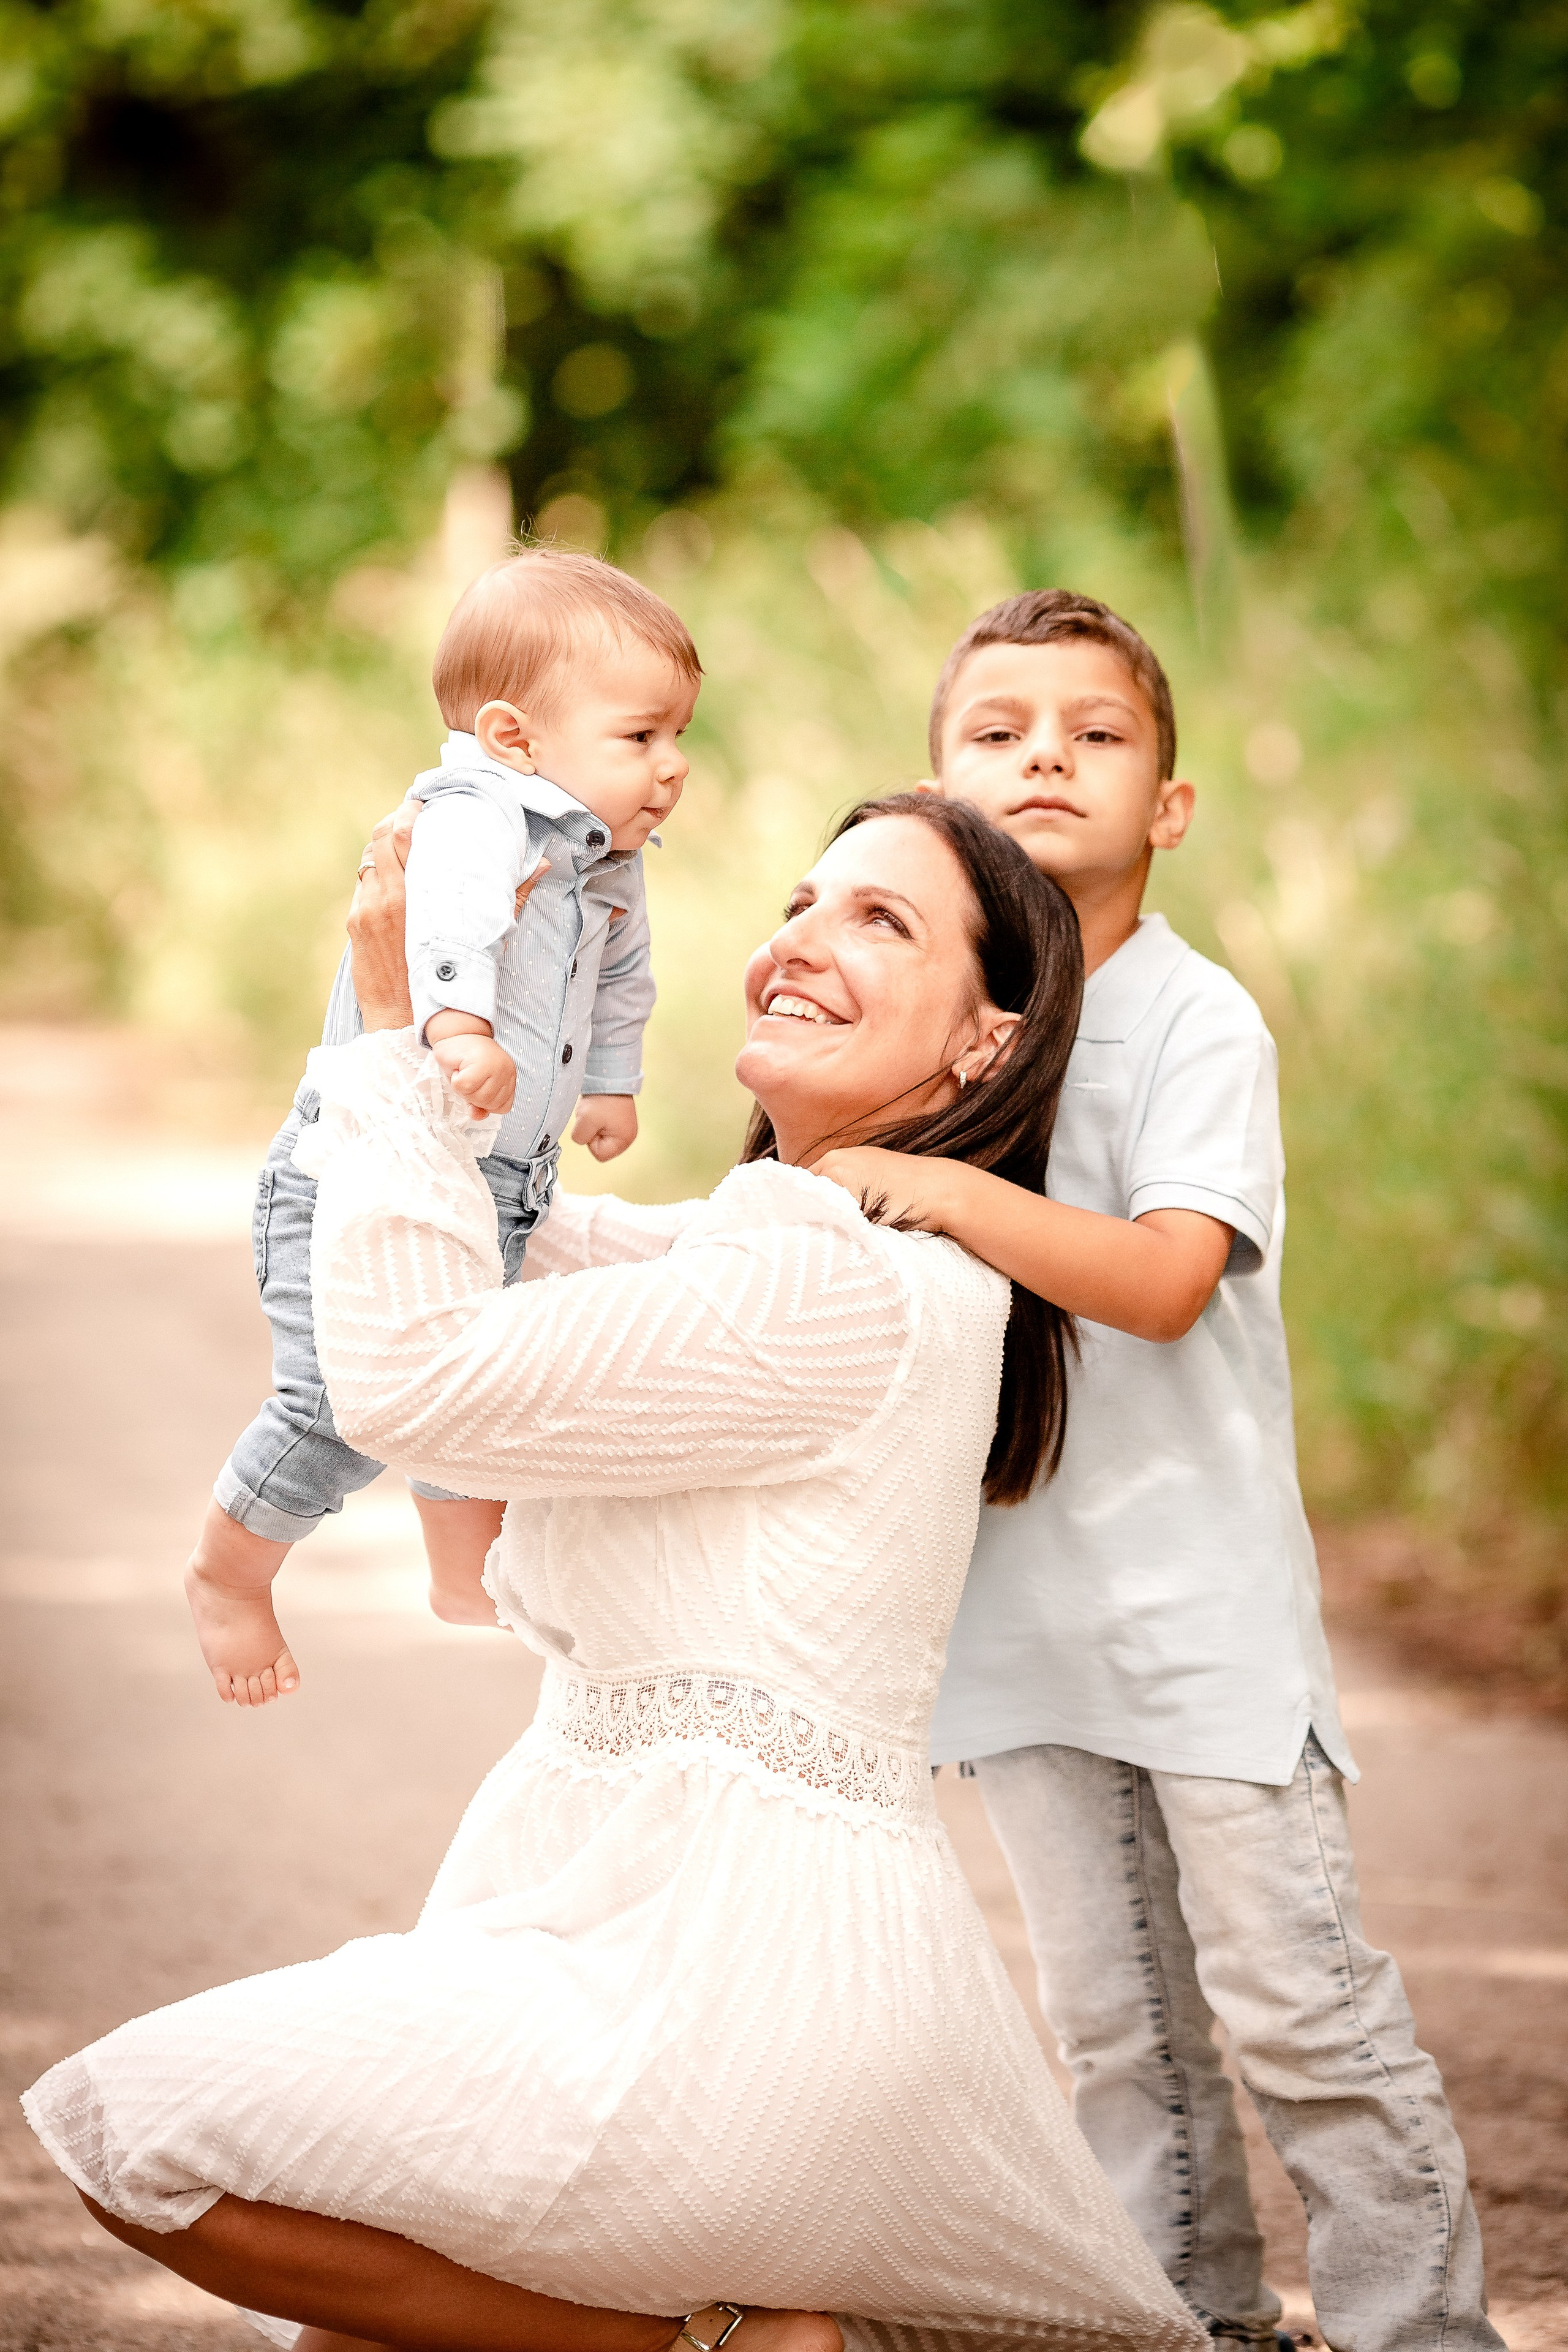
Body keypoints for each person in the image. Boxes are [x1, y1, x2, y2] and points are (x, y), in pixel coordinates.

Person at [23, 791, 1207, 2352]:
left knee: (137, 2133)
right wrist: (454, 1000)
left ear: (986, 1043)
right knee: (360, 2329)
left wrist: (391, 1033)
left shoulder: (838, 1283)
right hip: (637, 1925)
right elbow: (438, 1235)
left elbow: (412, 1378)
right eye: (804, 899)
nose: (799, 938)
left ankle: (713, 2350)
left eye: (880, 920)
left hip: (730, 1985)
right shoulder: (766, 1241)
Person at [812, 592, 1503, 2352]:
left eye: (1095, 733)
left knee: (1298, 2009)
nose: (1046, 752)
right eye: (999, 731)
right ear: (942, 793)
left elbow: (1169, 1275)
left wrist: (950, 1188)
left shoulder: (1202, 1022)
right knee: (1114, 2019)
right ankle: (1195, 2322)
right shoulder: (950, 1019)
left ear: (1169, 807)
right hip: (1013, 1608)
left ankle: (1416, 2332)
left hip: (1197, 1611)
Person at [185, 547, 699, 1708]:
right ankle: (228, 1570)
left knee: (474, 1376)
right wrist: (459, 1028)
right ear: (516, 738)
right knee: (337, 1406)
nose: (671, 769)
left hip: (493, 1177)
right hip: (353, 1171)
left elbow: (622, 980)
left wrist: (612, 1081)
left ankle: (465, 1574)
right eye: (641, 738)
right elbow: (447, 920)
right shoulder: (479, 812)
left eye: (678, 739)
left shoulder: (604, 860)